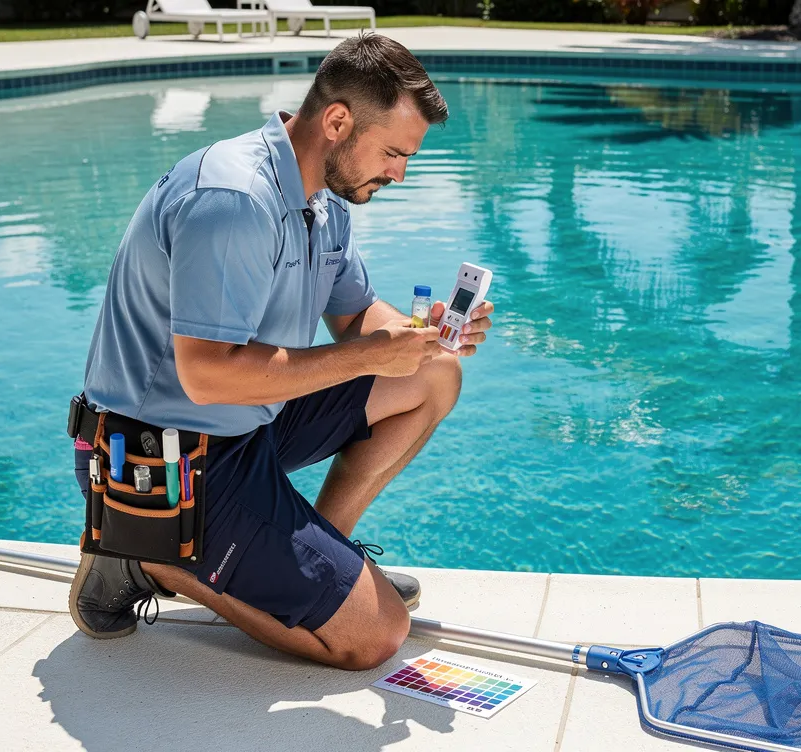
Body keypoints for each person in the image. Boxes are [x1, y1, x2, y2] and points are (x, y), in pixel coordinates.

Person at [66, 33, 493, 671]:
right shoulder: (235, 202)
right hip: (165, 460)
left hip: (248, 425)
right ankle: (148, 560)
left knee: (436, 374)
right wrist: (374, 356)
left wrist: (418, 337)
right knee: (375, 637)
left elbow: (355, 319)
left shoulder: (324, 199)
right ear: (339, 122)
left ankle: (326, 550)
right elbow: (207, 376)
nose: (400, 173)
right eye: (394, 153)